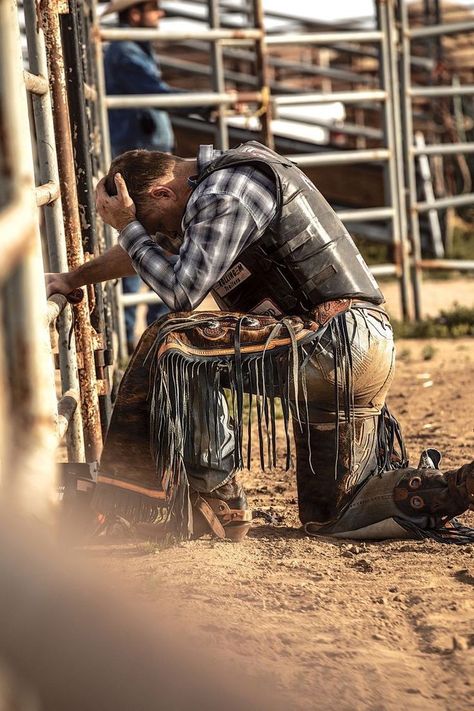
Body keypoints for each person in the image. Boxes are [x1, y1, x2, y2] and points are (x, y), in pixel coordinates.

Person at [46, 141, 474, 544]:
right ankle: (444, 490)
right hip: (358, 345)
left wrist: (128, 227)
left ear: (161, 192)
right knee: (333, 514)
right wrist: (74, 278)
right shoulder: (221, 185)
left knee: (175, 343)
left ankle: (217, 498)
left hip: (327, 344)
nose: (158, 236)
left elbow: (181, 292)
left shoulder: (226, 193)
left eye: (154, 223)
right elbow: (146, 249)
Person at [102, 0, 176, 352]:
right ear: (135, 14)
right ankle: (140, 337)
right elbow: (155, 94)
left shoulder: (136, 48)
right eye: (154, 9)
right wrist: (208, 104)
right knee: (138, 238)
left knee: (160, 242)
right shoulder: (125, 51)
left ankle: (161, 331)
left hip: (146, 160)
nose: (160, 16)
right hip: (137, 166)